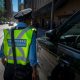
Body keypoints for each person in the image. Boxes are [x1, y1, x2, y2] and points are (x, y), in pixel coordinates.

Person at [1, 8, 38, 80]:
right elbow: (32, 57)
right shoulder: (30, 33)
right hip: (24, 70)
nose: (31, 21)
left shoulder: (8, 32)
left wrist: (5, 63)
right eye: (30, 19)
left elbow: (2, 53)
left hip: (9, 69)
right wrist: (34, 71)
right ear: (28, 19)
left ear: (18, 20)